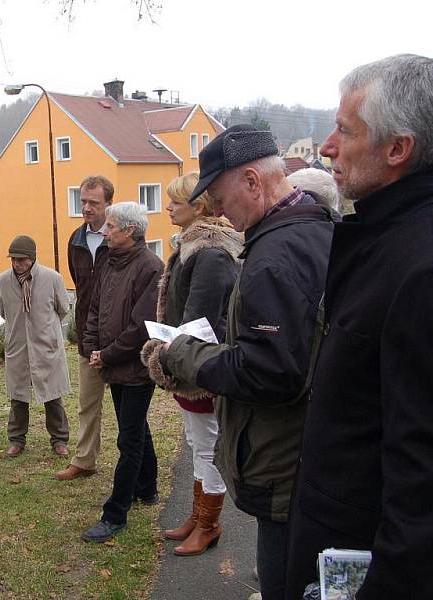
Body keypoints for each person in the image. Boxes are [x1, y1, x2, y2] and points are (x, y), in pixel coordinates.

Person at [145, 125, 334, 599]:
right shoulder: (311, 228)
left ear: (253, 181)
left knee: (282, 575)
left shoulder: (274, 254)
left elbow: (271, 372)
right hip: (307, 451)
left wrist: (186, 357)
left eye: (223, 198)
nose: (220, 211)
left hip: (282, 457)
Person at [285, 54, 433, 600]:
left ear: (397, 149)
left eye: (345, 131)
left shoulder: (420, 267)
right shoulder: (381, 236)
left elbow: (421, 482)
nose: (326, 147)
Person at [141, 172, 243, 556]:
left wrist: (169, 354)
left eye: (174, 201)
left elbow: (201, 318)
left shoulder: (211, 253)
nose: (167, 207)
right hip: (187, 361)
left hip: (202, 366)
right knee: (196, 442)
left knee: (207, 446)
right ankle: (197, 515)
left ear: (198, 207)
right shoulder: (192, 246)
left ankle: (209, 523)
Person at [80, 202, 163, 543]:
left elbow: (142, 326)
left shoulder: (151, 268)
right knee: (135, 425)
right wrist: (91, 345)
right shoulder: (109, 261)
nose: (104, 231)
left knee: (128, 439)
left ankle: (116, 513)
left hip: (135, 366)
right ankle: (148, 487)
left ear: (129, 231)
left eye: (111, 226)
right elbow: (95, 307)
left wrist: (109, 354)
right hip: (111, 362)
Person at [55, 175, 113, 481]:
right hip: (87, 337)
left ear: (108, 204)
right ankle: (85, 460)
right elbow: (80, 287)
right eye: (83, 202)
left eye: (94, 202)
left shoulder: (119, 238)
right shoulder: (75, 241)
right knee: (87, 403)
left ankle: (143, 471)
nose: (87, 208)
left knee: (129, 411)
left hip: (118, 338)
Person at [0, 235, 70, 457]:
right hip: (18, 347)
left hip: (46, 347)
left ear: (33, 258)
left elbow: (63, 308)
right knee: (18, 397)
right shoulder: (2, 282)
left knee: (53, 396)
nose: (18, 263)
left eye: (23, 259)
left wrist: (46, 329)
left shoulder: (52, 279)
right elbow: (3, 312)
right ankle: (17, 440)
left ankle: (59, 440)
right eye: (14, 259)